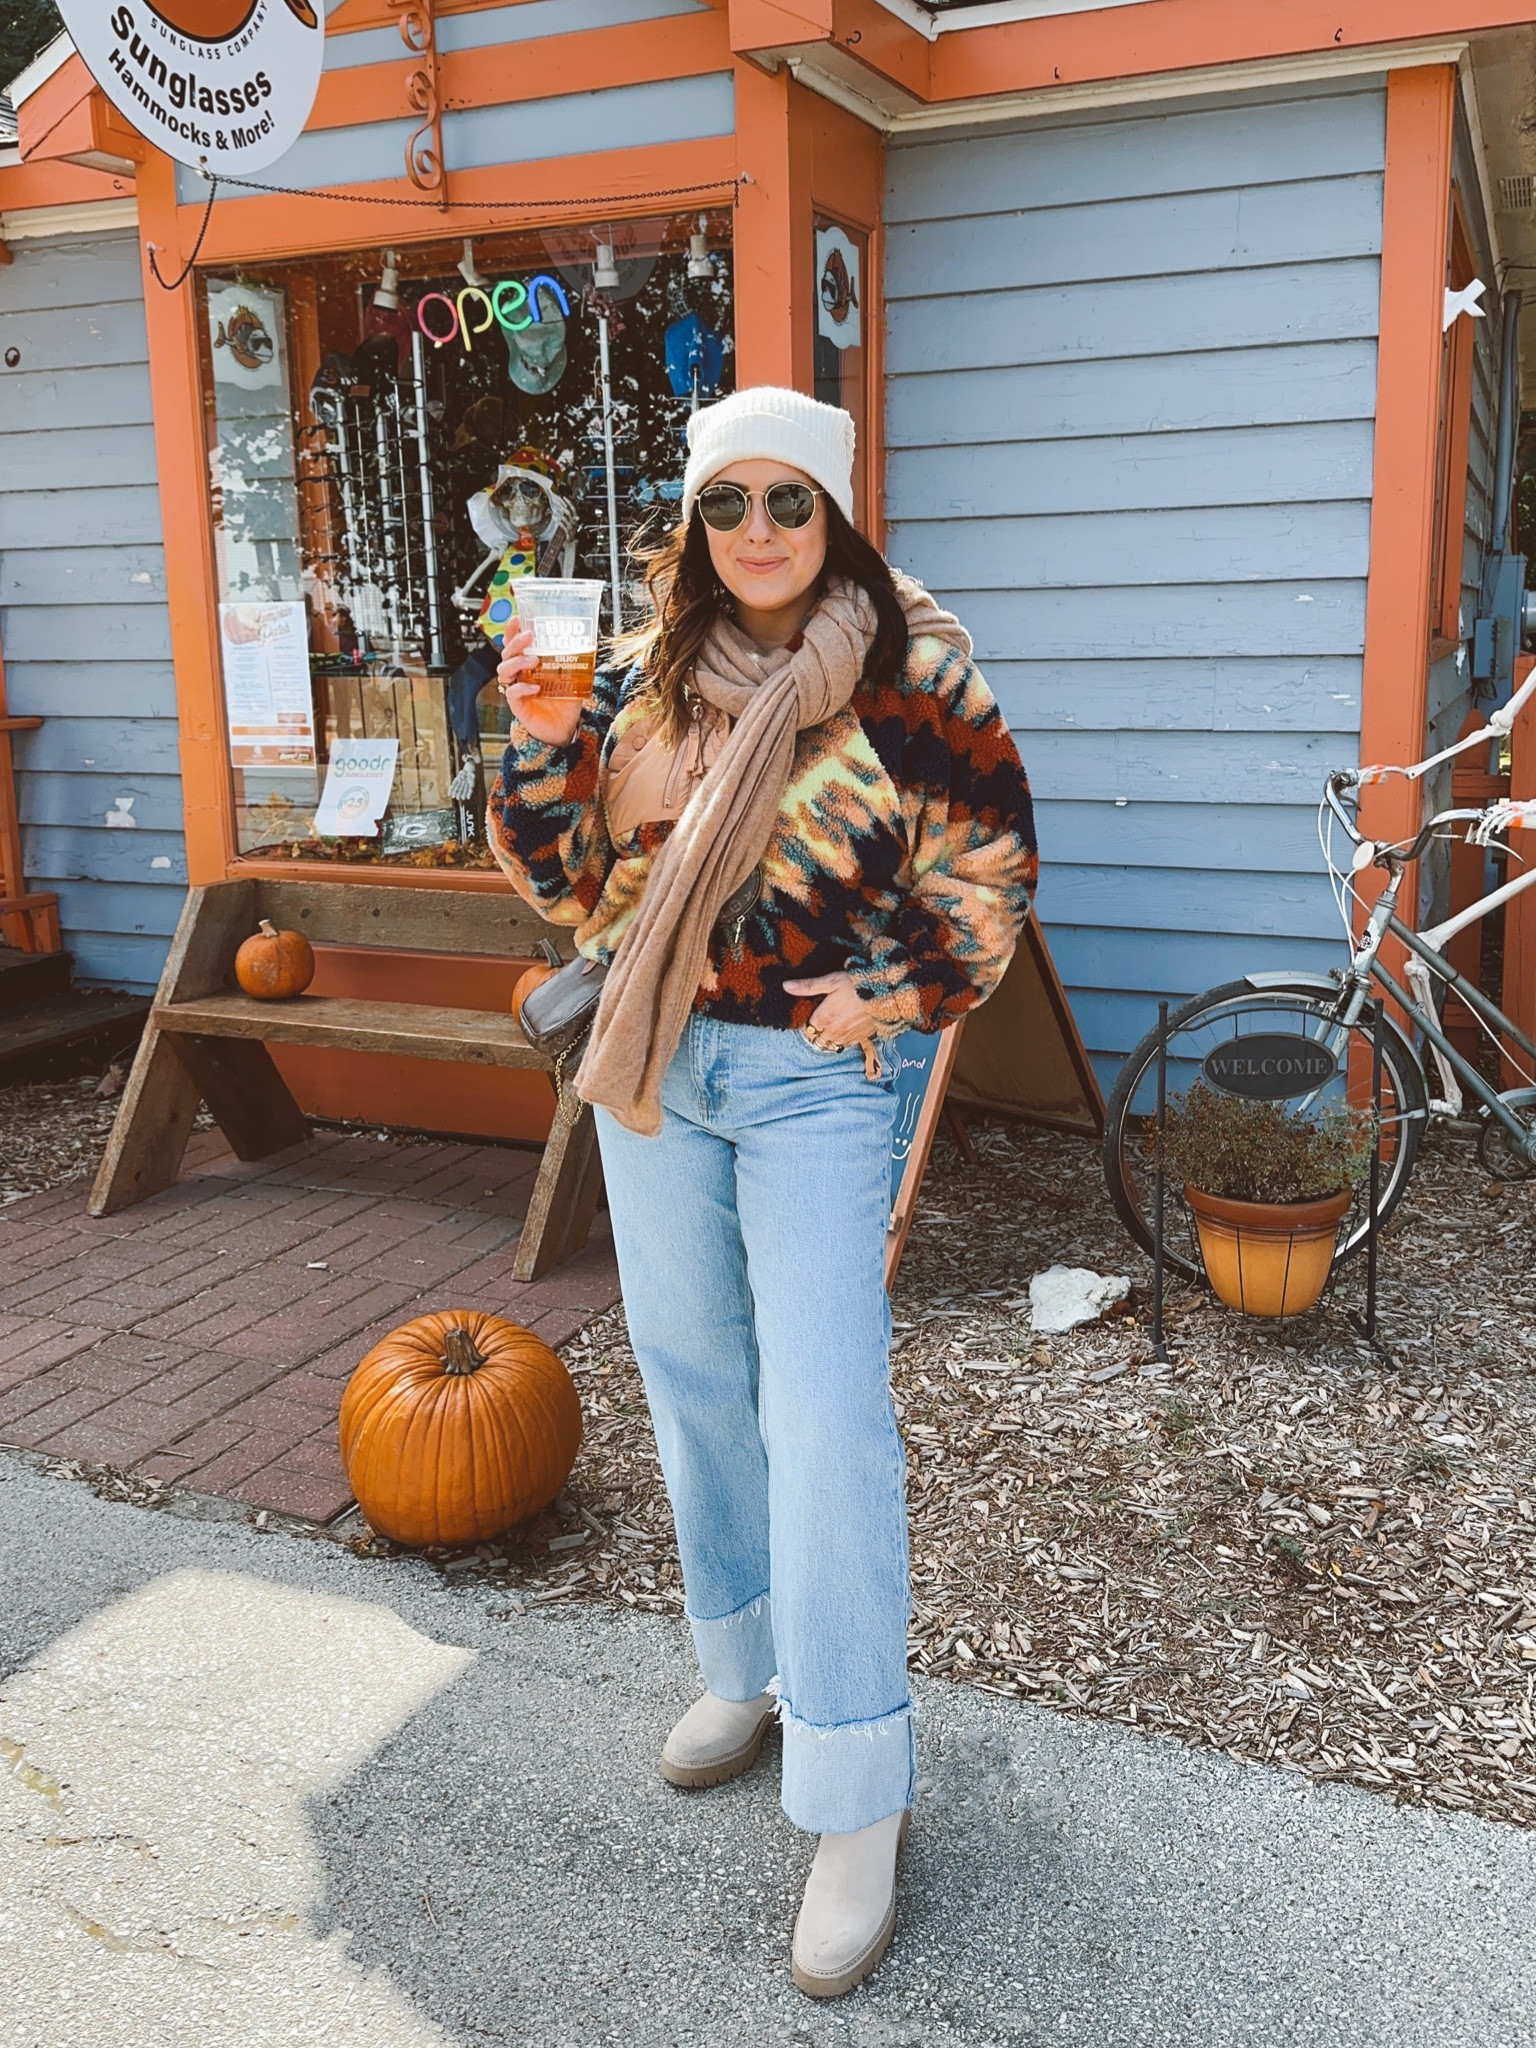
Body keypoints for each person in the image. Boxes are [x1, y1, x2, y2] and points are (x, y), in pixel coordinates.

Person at [488, 386, 1036, 1998]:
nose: (757, 537)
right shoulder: (653, 662)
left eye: (788, 503)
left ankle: (859, 1787)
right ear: (693, 523)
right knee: (693, 1377)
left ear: (837, 509)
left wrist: (905, 992)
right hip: (661, 1071)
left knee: (826, 1409)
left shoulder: (910, 660)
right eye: (727, 507)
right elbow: (577, 884)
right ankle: (744, 1667)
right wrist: (532, 751)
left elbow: (991, 850)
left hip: (809, 1078)